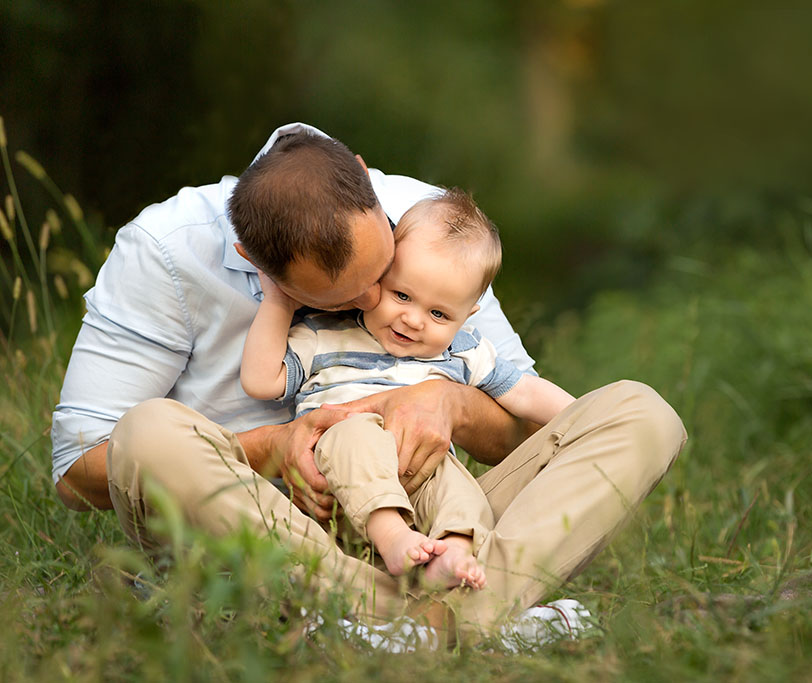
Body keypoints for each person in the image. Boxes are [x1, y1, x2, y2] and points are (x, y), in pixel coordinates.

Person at [51, 123, 687, 643]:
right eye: (341, 297)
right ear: (255, 261)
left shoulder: (433, 225)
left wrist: (453, 403)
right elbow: (78, 471)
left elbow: (524, 430)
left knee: (641, 412)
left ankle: (403, 618)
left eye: (382, 273)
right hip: (265, 529)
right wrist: (275, 446)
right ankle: (464, 616)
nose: (381, 307)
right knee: (148, 433)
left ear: (368, 184)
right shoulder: (164, 249)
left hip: (432, 508)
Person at [239, 188, 575, 592]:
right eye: (402, 295)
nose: (413, 320)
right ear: (379, 275)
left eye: (438, 313)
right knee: (353, 433)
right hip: (339, 485)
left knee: (456, 481)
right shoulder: (327, 336)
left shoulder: (463, 350)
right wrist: (279, 300)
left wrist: (586, 418)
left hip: (422, 476)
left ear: (468, 315)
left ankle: (454, 549)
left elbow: (526, 395)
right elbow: (261, 382)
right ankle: (392, 536)